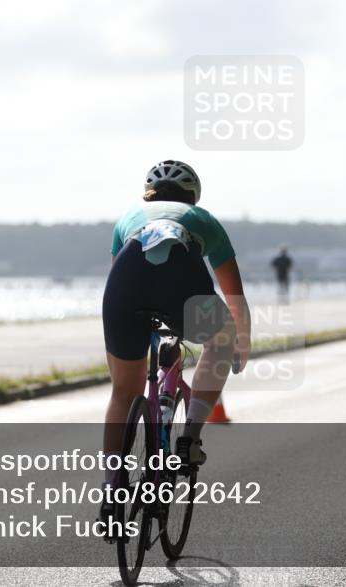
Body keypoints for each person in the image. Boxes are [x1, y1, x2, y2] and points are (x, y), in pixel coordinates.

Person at [101, 160, 250, 496]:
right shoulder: (203, 219)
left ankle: (112, 489)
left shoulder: (127, 217)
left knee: (123, 393)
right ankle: (190, 438)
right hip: (182, 282)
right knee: (222, 336)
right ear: (193, 196)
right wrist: (241, 345)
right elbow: (235, 296)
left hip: (125, 285)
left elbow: (117, 281)